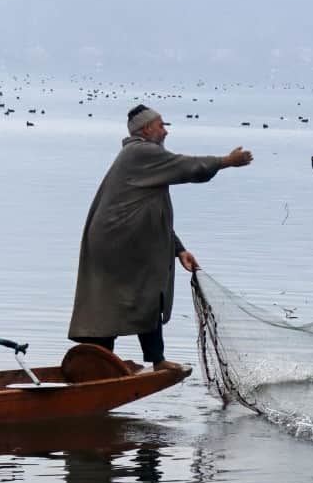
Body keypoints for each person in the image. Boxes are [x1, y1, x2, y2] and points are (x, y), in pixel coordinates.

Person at [68, 104, 253, 371]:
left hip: (126, 245)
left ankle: (149, 360)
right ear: (146, 129)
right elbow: (187, 167)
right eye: (161, 125)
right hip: (115, 246)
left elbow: (156, 215)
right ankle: (101, 367)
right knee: (110, 303)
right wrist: (226, 161)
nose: (165, 131)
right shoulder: (140, 152)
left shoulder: (145, 157)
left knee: (146, 294)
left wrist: (179, 249)